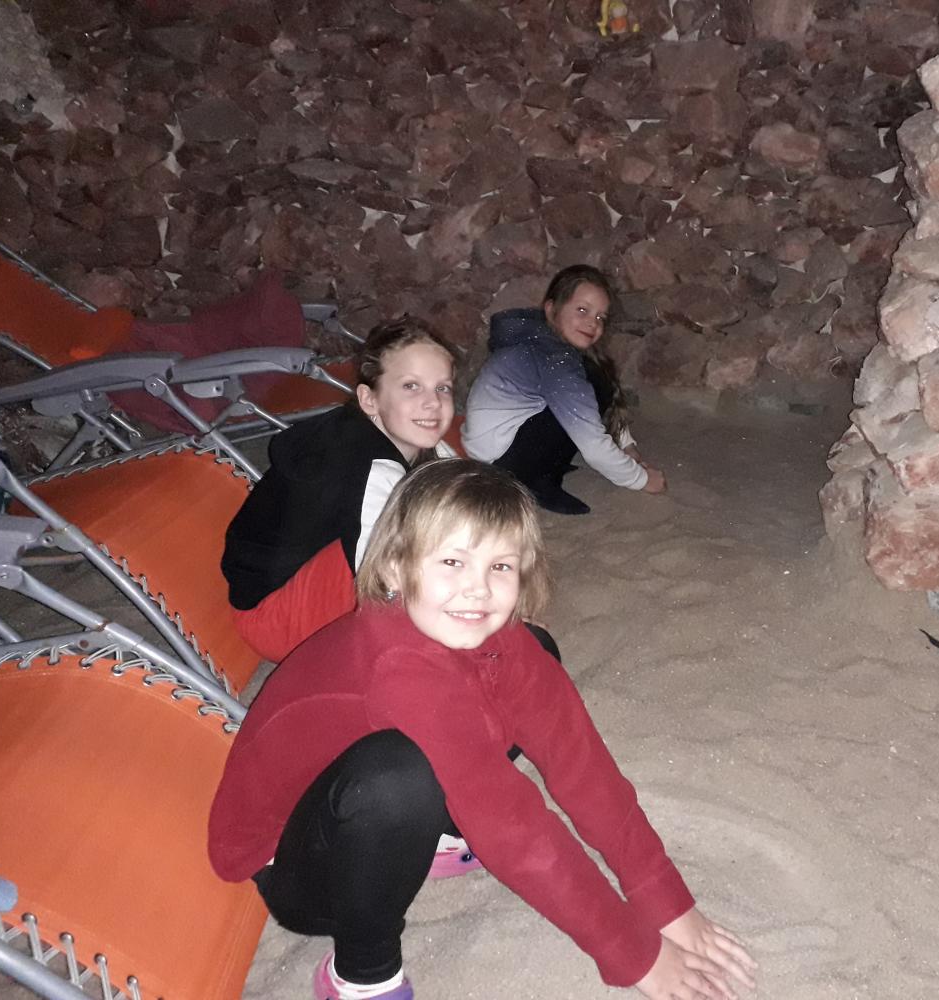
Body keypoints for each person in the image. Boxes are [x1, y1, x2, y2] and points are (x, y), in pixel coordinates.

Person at [207, 460, 757, 1000]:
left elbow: (583, 767)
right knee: (401, 777)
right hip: (300, 864)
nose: (479, 590)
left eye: (501, 566)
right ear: (395, 568)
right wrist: (638, 955)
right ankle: (360, 975)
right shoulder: (399, 668)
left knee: (533, 654)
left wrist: (665, 901)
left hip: (374, 773)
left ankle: (433, 835)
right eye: (452, 561)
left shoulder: (487, 631)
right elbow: (513, 828)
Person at [220, 319, 459, 665]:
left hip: (309, 583)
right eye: (411, 386)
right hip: (277, 619)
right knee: (420, 547)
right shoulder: (365, 466)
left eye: (443, 388)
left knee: (453, 517)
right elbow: (384, 584)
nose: (432, 403)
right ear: (369, 400)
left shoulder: (408, 437)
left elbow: (467, 493)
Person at [462, 264, 667, 515]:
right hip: (501, 466)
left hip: (488, 448)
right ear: (552, 309)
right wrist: (643, 480)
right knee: (590, 387)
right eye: (582, 310)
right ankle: (536, 482)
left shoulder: (539, 338)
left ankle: (547, 466)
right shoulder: (555, 359)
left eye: (600, 317)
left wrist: (627, 446)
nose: (592, 323)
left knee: (591, 383)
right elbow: (593, 445)